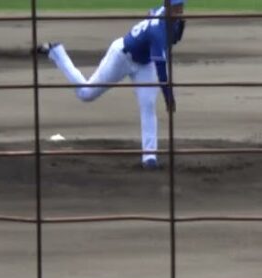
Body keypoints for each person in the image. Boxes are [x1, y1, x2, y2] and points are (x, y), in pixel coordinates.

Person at [36, 1, 187, 169]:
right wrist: (168, 96)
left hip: (145, 63)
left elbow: (152, 12)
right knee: (86, 93)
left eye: (181, 6)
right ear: (168, 6)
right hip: (121, 57)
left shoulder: (163, 12)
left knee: (148, 105)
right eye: (176, 7)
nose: (180, 10)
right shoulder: (157, 31)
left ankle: (149, 157)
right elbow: (161, 69)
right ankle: (56, 52)